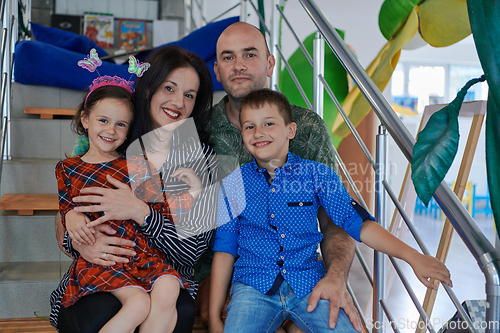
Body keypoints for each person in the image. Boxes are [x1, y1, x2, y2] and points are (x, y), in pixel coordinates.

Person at [209, 89, 452, 333]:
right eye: (249, 127)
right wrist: (213, 315)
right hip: (252, 287)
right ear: (242, 134)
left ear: (290, 130)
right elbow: (224, 249)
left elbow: (357, 223)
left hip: (308, 285)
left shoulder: (318, 175)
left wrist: (414, 257)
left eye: (268, 124)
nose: (258, 132)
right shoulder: (233, 184)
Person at [200, 21, 359, 332]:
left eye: (250, 54)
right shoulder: (199, 129)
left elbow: (335, 220)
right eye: (228, 57)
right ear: (216, 70)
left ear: (270, 63)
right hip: (217, 267)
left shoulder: (306, 126)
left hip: (297, 269)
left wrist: (336, 275)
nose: (239, 66)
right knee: (220, 314)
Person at [51, 45, 219, 333]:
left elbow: (191, 251)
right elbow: (72, 207)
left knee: (176, 311)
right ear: (149, 88)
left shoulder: (198, 159)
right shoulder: (113, 137)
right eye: (169, 88)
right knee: (96, 315)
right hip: (105, 267)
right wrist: (79, 237)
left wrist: (140, 212)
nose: (178, 102)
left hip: (163, 272)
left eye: (189, 95)